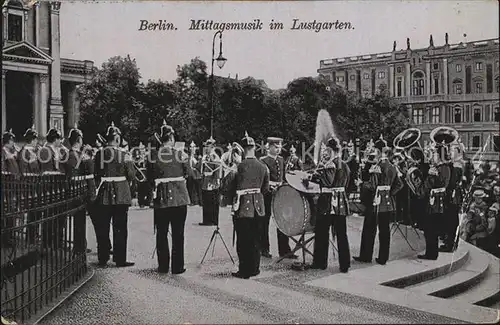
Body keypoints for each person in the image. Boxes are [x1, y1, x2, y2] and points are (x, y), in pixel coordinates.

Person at [223, 132, 270, 279]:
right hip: (258, 206)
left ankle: (244, 270)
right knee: (256, 238)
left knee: (243, 240)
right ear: (254, 148)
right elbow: (265, 188)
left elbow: (227, 187)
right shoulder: (263, 166)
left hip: (243, 207)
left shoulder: (239, 167)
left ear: (243, 149)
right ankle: (255, 268)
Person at [147, 121, 191, 274]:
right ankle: (178, 267)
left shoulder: (153, 157)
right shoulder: (180, 154)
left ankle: (163, 266)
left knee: (161, 233)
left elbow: (149, 177)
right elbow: (189, 173)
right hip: (179, 198)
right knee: (178, 234)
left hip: (162, 198)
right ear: (171, 138)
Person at [354, 138, 404, 265]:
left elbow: (372, 185)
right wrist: (389, 193)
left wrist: (361, 184)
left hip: (376, 202)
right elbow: (399, 184)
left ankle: (365, 255)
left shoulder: (378, 167)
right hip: (387, 203)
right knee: (384, 230)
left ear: (379, 151)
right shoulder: (392, 167)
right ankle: (383, 258)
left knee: (369, 228)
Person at [94, 122, 135, 267]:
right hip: (121, 193)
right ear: (117, 139)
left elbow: (96, 173)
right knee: (120, 228)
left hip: (104, 193)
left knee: (103, 227)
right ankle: (120, 259)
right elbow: (131, 175)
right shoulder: (124, 155)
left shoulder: (99, 154)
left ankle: (103, 257)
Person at [309, 136, 351, 273]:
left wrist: (317, 175)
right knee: (342, 234)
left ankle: (320, 262)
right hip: (341, 202)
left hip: (327, 201)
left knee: (321, 232)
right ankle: (345, 264)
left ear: (331, 150)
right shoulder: (345, 165)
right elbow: (347, 184)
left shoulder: (330, 164)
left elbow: (328, 182)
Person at [259, 137, 295, 259]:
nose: (278, 149)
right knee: (264, 222)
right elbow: (263, 179)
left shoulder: (281, 159)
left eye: (279, 147)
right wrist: (270, 186)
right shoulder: (263, 160)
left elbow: (283, 177)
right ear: (269, 147)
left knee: (282, 221)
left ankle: (284, 250)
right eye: (276, 147)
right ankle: (263, 248)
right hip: (267, 194)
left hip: (280, 194)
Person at [64, 125, 96, 254]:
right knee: (79, 219)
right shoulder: (72, 154)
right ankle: (79, 247)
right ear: (78, 139)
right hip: (77, 191)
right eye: (81, 139)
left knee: (81, 220)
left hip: (81, 190)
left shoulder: (76, 154)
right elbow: (75, 170)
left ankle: (81, 244)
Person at [416, 143, 451, 260]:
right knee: (433, 229)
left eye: (434, 154)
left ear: (439, 155)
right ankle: (433, 253)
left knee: (429, 229)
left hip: (433, 202)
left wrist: (422, 183)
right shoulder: (445, 168)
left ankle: (431, 254)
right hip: (440, 202)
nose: (432, 157)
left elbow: (427, 186)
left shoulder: (436, 170)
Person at [441, 146, 464, 252]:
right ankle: (450, 243)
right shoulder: (455, 165)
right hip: (454, 196)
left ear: (458, 153)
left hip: (452, 196)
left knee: (451, 220)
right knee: (451, 220)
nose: (449, 153)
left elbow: (450, 183)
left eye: (451, 152)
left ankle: (450, 244)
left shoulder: (457, 166)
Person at [200, 136, 222, 226]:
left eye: (208, 147)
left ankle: (213, 220)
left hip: (212, 182)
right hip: (205, 181)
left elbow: (217, 170)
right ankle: (206, 220)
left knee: (212, 201)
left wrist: (215, 181)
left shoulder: (215, 157)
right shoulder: (205, 157)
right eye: (205, 147)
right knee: (206, 201)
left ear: (212, 147)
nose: (206, 148)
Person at [187, 141, 203, 206]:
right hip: (190, 175)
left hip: (197, 175)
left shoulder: (198, 157)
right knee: (190, 189)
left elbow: (199, 166)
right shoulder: (188, 157)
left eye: (193, 147)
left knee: (199, 189)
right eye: (191, 147)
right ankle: (191, 201)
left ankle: (200, 202)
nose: (192, 149)